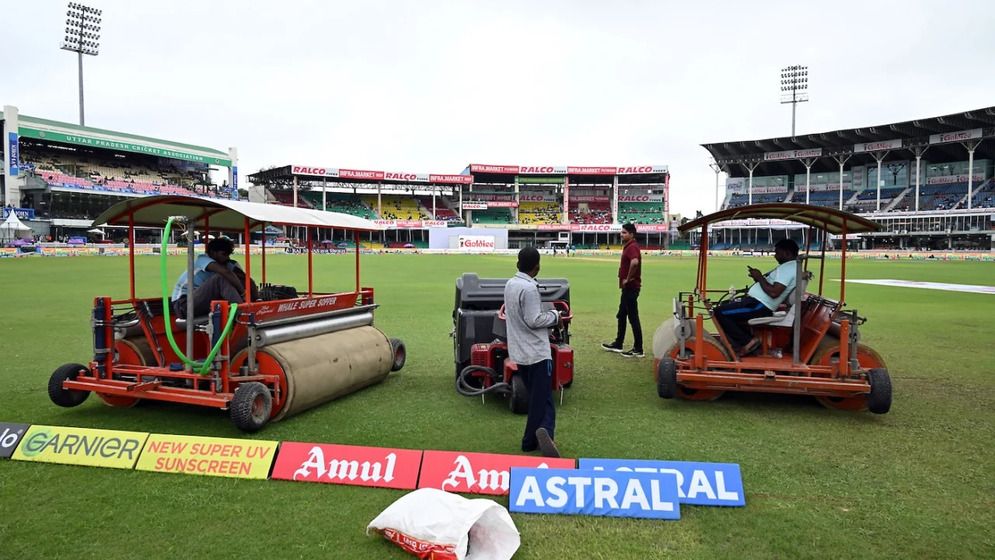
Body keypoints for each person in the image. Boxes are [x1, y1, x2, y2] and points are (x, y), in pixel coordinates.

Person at [504, 246, 563, 458]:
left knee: (542, 398)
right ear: (537, 267)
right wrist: (555, 316)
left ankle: (545, 434)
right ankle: (531, 440)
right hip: (536, 353)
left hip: (519, 352)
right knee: (542, 400)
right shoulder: (529, 289)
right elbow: (533, 320)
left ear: (518, 263)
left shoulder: (510, 284)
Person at [714, 238, 800, 356]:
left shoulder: (788, 268)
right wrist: (758, 279)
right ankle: (744, 341)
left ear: (787, 253)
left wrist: (759, 277)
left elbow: (774, 293)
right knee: (724, 307)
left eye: (777, 253)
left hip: (759, 305)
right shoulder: (791, 267)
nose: (775, 256)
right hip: (757, 303)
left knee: (719, 312)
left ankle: (748, 341)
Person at [170, 237, 256, 319]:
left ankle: (253, 309)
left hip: (200, 302)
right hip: (183, 304)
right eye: (223, 254)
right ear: (212, 252)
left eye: (228, 255)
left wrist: (253, 295)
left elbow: (247, 280)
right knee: (221, 278)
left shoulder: (226, 263)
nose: (227, 258)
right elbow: (226, 273)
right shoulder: (203, 259)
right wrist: (243, 293)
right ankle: (243, 314)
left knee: (237, 280)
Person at [602, 223, 643, 358]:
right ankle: (619, 343)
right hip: (628, 289)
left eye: (624, 232)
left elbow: (635, 262)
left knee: (632, 318)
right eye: (621, 232)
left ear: (631, 234)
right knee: (621, 315)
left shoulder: (632, 247)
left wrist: (628, 279)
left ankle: (638, 348)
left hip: (630, 288)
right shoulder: (630, 246)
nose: (621, 234)